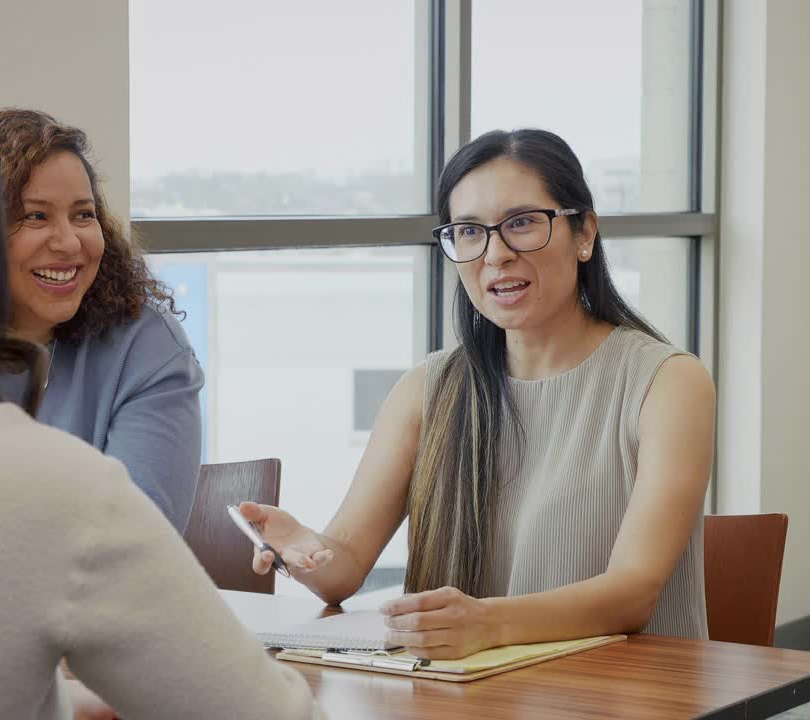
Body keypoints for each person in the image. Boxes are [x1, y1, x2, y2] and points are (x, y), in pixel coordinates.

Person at [0, 56, 322, 720]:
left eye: (83, 214)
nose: (65, 242)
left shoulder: (130, 354)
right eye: (25, 215)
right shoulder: (49, 484)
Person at [240, 129, 716, 660]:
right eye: (469, 231)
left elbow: (632, 594)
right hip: (470, 698)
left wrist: (486, 622)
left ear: (584, 233)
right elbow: (344, 566)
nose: (496, 254)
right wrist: (305, 547)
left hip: (631, 697)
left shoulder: (668, 382)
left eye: (522, 223)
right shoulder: (428, 389)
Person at [0, 108, 201, 529]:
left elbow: (137, 539)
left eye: (84, 214)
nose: (68, 242)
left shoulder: (146, 344)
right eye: (35, 216)